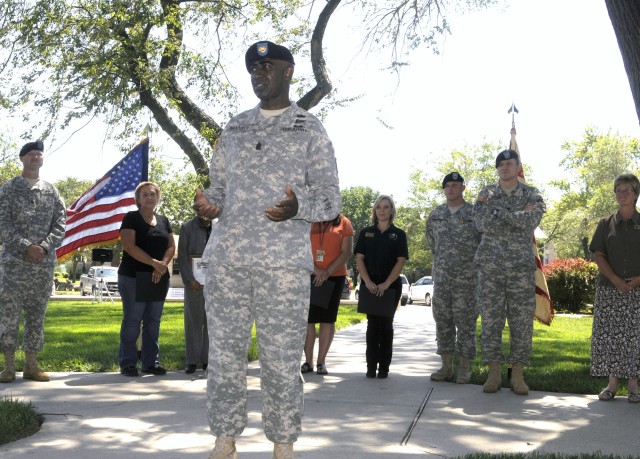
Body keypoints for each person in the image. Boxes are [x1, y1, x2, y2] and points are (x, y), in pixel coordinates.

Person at [193, 40, 341, 459]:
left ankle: (283, 442)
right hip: (228, 261)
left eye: (268, 67)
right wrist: (208, 204)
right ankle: (225, 438)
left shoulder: (308, 128)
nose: (260, 75)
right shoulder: (235, 128)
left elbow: (331, 200)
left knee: (280, 361)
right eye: (254, 70)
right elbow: (218, 189)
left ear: (289, 71)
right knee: (224, 359)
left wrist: (300, 208)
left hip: (282, 265)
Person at [473, 149, 545, 395]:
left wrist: (499, 214)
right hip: (490, 268)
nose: (504, 167)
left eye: (509, 163)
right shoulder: (486, 193)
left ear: (517, 166)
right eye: (501, 164)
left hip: (520, 270)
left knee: (521, 323)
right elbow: (480, 223)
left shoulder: (531, 193)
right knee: (492, 321)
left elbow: (531, 220)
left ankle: (517, 374)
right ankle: (493, 372)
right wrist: (515, 215)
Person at [0, 140, 66, 383]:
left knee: (37, 315)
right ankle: (8, 367)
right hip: (14, 265)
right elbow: (3, 224)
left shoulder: (52, 191)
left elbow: (61, 224)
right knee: (9, 315)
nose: (35, 158)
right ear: (22, 159)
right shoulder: (8, 189)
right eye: (31, 154)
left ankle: (31, 365)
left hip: (42, 265)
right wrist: (27, 246)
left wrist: (44, 247)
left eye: (39, 154)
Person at [589, 173, 640, 403]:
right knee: (610, 337)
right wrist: (616, 280)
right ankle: (611, 385)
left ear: (636, 193)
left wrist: (637, 280)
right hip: (610, 289)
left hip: (638, 290)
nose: (622, 194)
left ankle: (633, 386)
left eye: (627, 189)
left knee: (635, 337)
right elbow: (599, 255)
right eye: (618, 189)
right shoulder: (605, 224)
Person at [426, 172, 481, 384]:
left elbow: (482, 242)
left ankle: (465, 368)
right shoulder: (436, 214)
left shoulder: (474, 214)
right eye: (447, 186)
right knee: (443, 321)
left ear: (463, 188)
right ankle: (446, 366)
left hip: (467, 280)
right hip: (442, 279)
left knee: (466, 323)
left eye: (455, 185)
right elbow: (433, 242)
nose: (451, 189)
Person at [117, 181, 175, 377]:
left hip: (159, 277)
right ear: (138, 199)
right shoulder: (131, 218)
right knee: (133, 321)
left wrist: (162, 265)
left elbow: (171, 247)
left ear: (158, 197)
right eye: (145, 194)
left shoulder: (164, 220)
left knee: (153, 322)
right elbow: (129, 247)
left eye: (153, 194)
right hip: (133, 277)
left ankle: (150, 363)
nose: (150, 197)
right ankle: (128, 363)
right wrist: (154, 263)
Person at [354, 195, 408, 379]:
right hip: (370, 285)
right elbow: (359, 259)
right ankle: (370, 367)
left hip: (390, 286)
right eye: (379, 207)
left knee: (385, 326)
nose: (382, 210)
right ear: (375, 210)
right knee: (372, 326)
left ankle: (383, 368)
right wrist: (367, 281)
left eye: (386, 207)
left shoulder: (398, 234)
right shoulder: (366, 232)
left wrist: (386, 283)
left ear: (392, 210)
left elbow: (400, 261)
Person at [301, 213, 354, 376]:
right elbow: (300, 249)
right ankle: (308, 362)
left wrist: (327, 272)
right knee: (308, 319)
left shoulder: (344, 223)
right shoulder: (307, 219)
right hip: (309, 274)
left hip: (334, 277)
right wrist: (316, 271)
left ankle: (321, 362)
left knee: (327, 319)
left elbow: (346, 252)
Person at [178, 198, 212, 374]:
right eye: (199, 206)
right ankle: (191, 360)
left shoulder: (220, 226)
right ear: (195, 208)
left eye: (206, 205)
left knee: (212, 322)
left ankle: (208, 360)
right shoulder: (187, 227)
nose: (203, 208)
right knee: (193, 321)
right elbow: (182, 256)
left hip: (216, 283)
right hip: (194, 282)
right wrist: (190, 279)